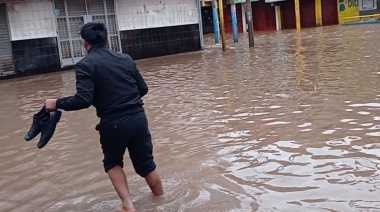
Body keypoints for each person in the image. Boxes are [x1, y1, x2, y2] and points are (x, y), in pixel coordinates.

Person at [44, 22, 163, 212]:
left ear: (85, 44)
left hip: (113, 123)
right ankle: (161, 200)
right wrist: (126, 100)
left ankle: (127, 205)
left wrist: (56, 103)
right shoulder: (125, 59)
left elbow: (83, 99)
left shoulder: (85, 65)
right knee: (147, 164)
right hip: (139, 119)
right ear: (107, 40)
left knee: (113, 163)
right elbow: (143, 88)